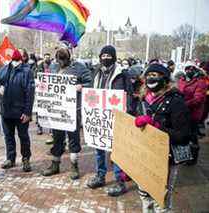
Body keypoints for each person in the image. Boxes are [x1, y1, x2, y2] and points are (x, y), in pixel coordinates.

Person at [135, 64, 191, 212]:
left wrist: (157, 126)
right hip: (145, 156)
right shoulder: (142, 100)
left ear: (165, 80)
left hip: (167, 158)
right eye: (148, 75)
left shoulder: (176, 101)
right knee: (144, 195)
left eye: (155, 75)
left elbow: (183, 135)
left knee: (161, 201)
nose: (151, 78)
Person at [86, 45, 133, 197]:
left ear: (114, 57)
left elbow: (130, 96)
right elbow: (91, 92)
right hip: (99, 119)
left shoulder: (122, 75)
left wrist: (128, 113)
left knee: (117, 151)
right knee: (99, 149)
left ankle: (120, 182)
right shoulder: (96, 72)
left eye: (108, 55)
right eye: (103, 55)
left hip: (117, 119)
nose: (105, 58)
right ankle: (100, 176)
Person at [42, 43, 92, 180]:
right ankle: (55, 164)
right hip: (57, 109)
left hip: (72, 109)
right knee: (57, 138)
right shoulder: (53, 66)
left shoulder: (79, 67)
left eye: (63, 52)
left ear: (69, 53)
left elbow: (90, 82)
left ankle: (74, 165)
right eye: (58, 52)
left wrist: (81, 86)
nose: (61, 58)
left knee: (73, 138)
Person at [0, 49, 35, 172]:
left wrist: (28, 112)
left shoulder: (27, 71)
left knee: (23, 136)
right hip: (6, 110)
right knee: (8, 136)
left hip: (21, 112)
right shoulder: (4, 69)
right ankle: (10, 158)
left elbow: (30, 93)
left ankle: (26, 158)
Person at [178, 61, 208, 165]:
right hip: (182, 112)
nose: (189, 70)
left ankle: (192, 158)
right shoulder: (182, 80)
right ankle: (184, 156)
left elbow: (198, 99)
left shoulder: (201, 82)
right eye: (187, 68)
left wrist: (183, 104)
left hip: (193, 113)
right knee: (183, 135)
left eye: (191, 68)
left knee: (192, 135)